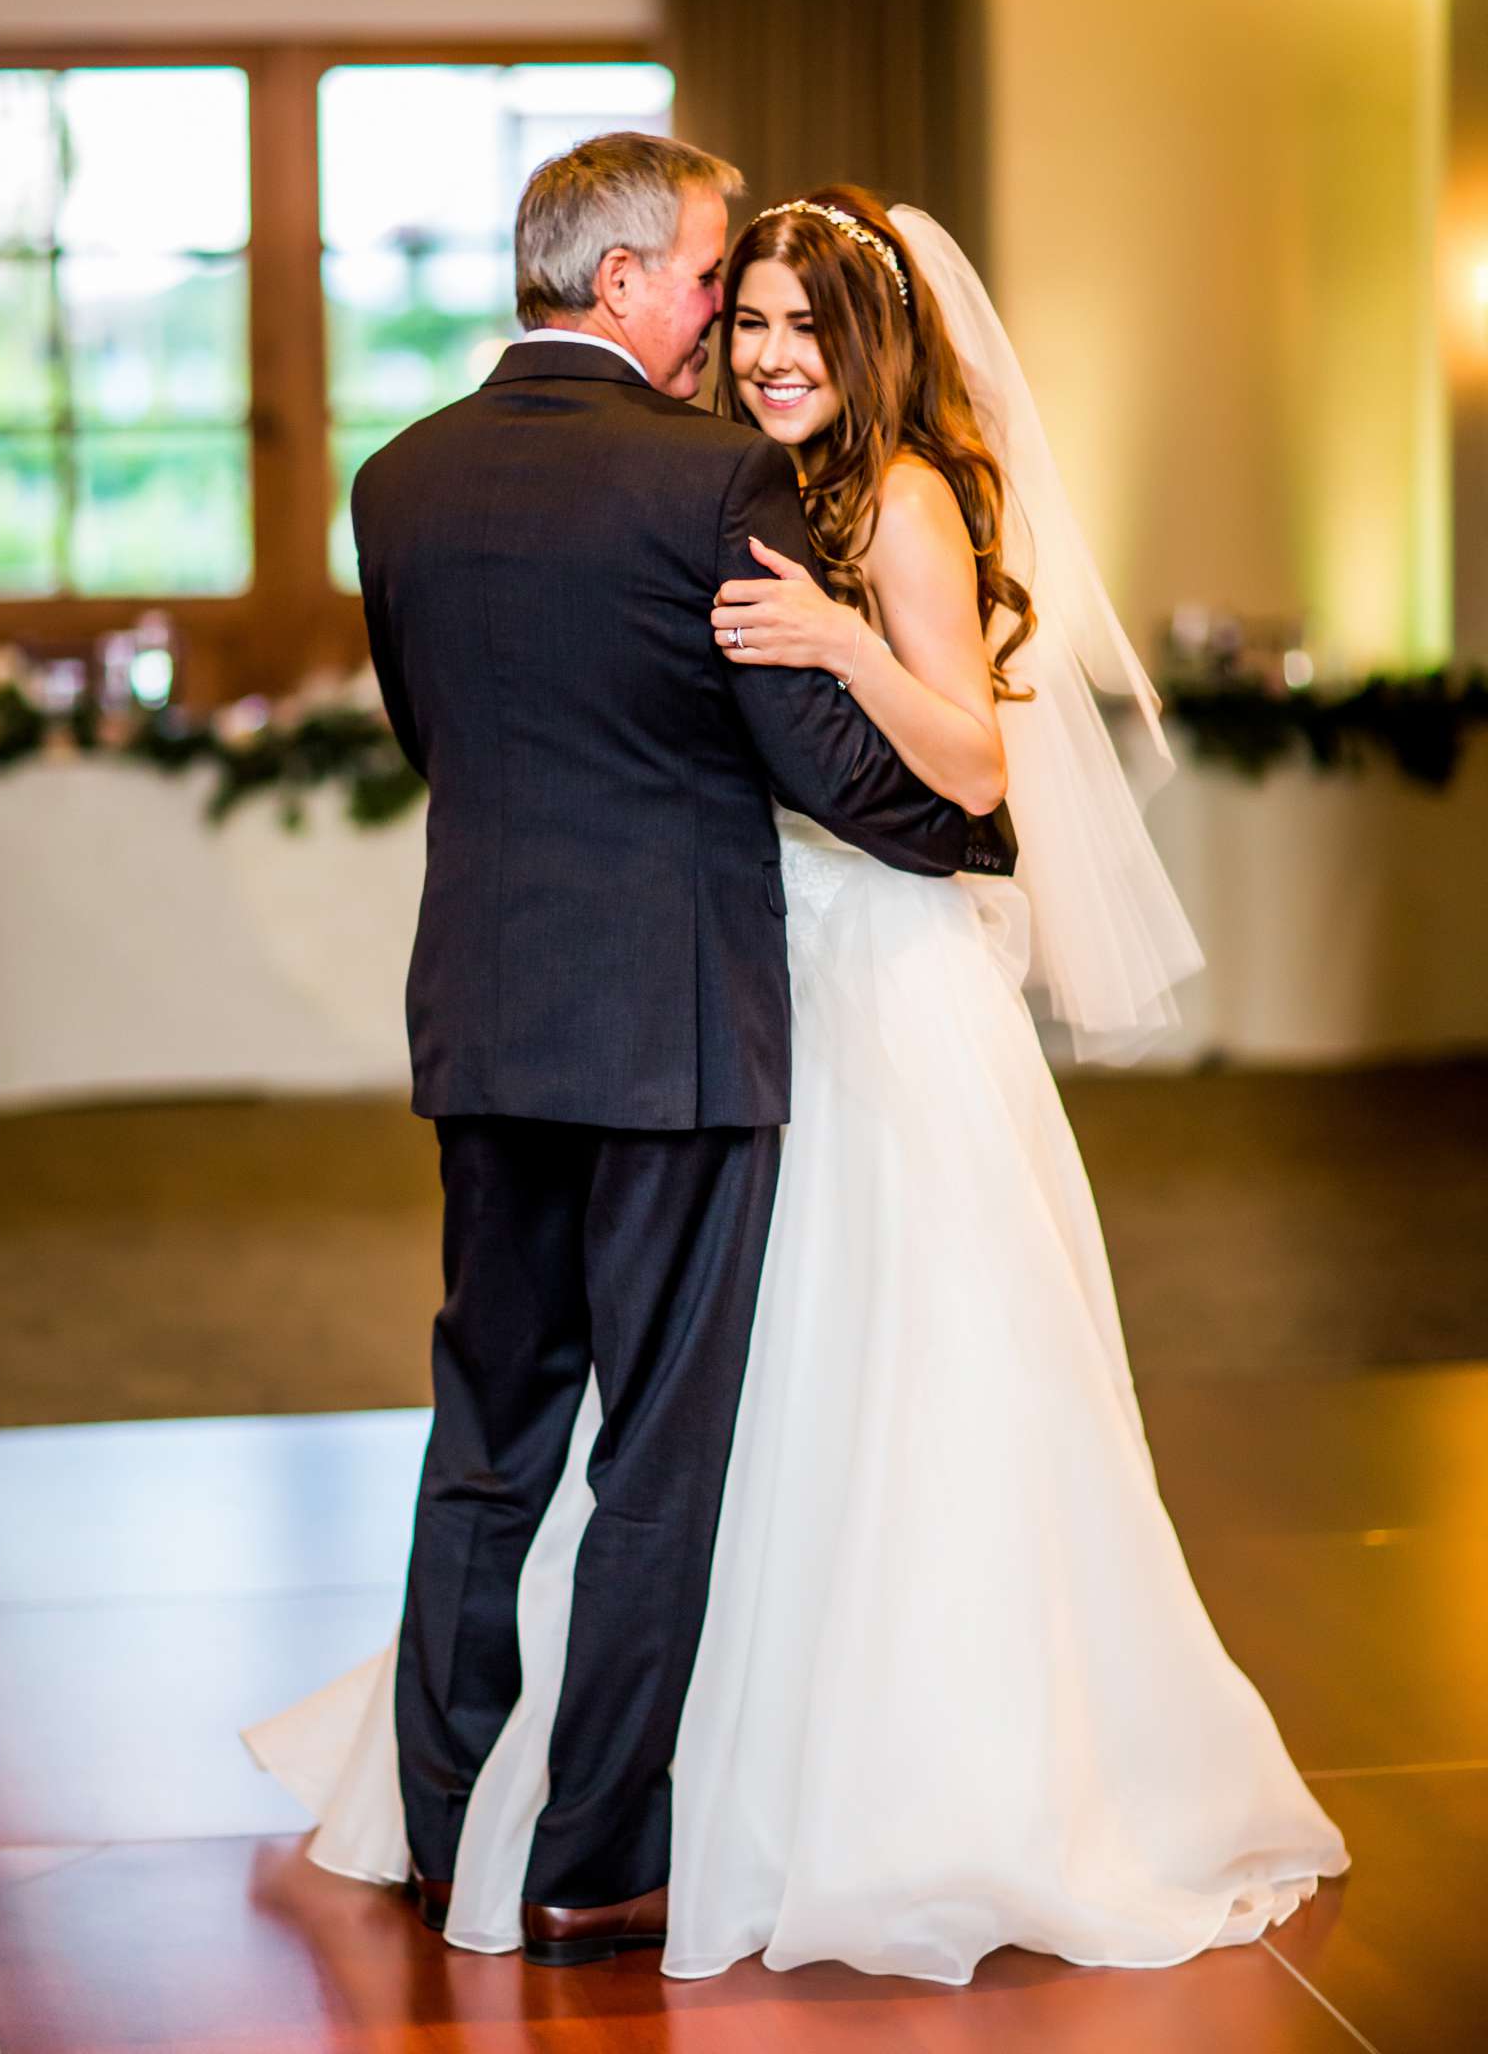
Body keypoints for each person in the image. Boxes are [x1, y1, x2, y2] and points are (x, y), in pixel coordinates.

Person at [248, 185, 1349, 1986]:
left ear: (871, 345)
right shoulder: (708, 485)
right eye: (738, 312)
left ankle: (752, 1789)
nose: (757, 351)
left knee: (821, 1389)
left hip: (825, 983)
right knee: (698, 1420)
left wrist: (841, 650)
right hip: (718, 988)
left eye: (792, 327)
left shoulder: (873, 496)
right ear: (658, 295)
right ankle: (609, 1822)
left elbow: (975, 778)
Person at [244, 139, 1005, 1970]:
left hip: (489, 1026)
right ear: (623, 288)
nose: (723, 320)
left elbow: (443, 737)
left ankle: (441, 1837)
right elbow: (816, 760)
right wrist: (972, 837)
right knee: (659, 1453)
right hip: (674, 1034)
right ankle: (589, 1860)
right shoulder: (708, 479)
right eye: (707, 275)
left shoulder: (396, 477)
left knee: (488, 1436)